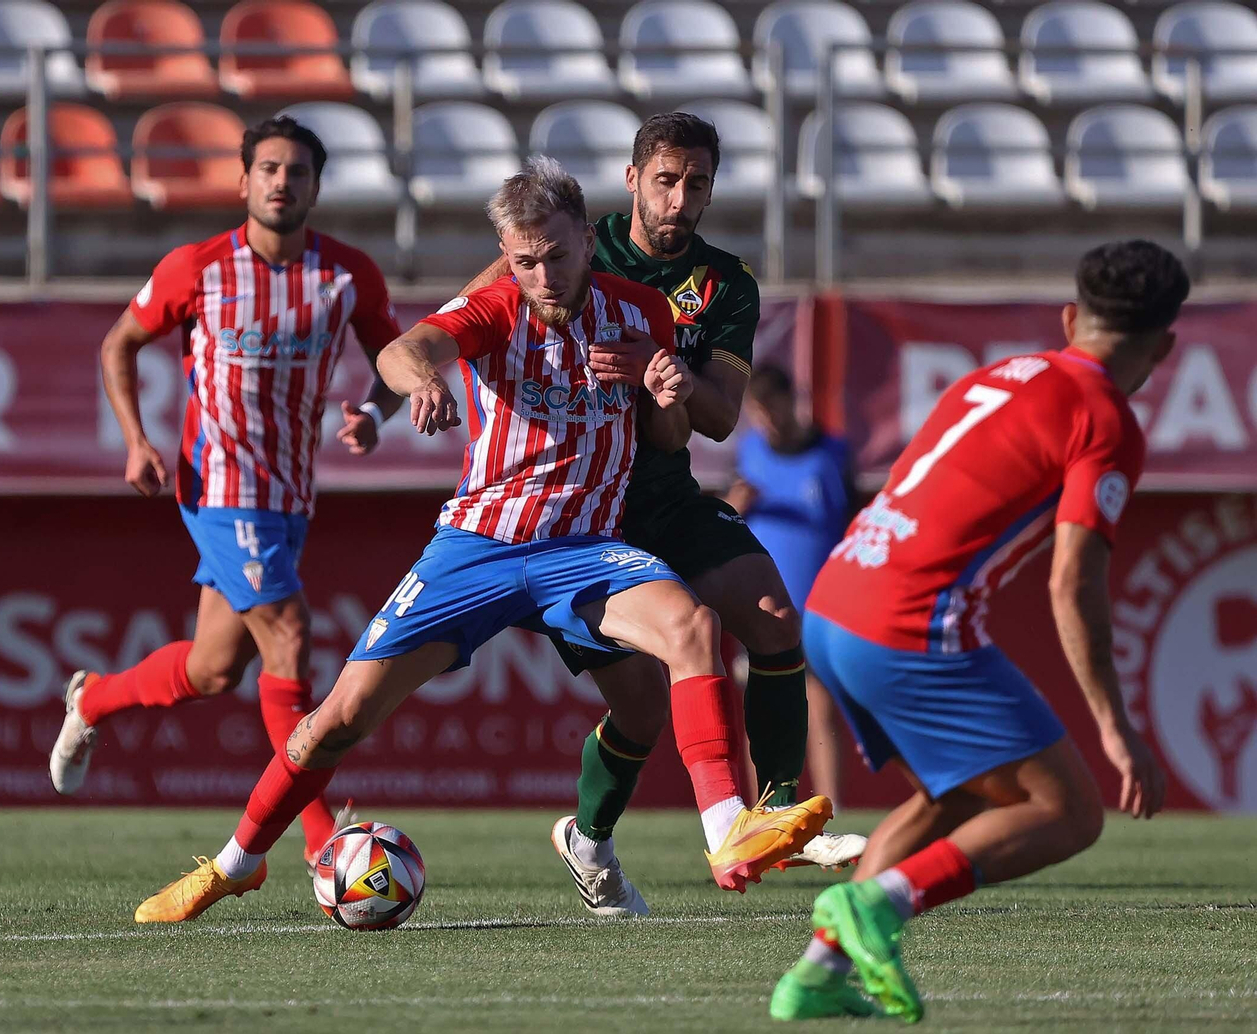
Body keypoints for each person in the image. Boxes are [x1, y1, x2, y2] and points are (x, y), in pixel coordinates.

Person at [129, 156, 830, 924]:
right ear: (508, 253)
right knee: (340, 717)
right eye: (524, 260)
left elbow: (663, 432)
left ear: (586, 243)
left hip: (582, 549)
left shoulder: (641, 315)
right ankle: (238, 862)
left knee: (691, 630)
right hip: (478, 546)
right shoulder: (497, 309)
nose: (543, 275)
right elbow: (406, 349)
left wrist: (666, 393)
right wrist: (424, 381)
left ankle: (729, 830)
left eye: (557, 256)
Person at [769, 240, 1183, 1022]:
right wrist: (1116, 727)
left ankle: (818, 974)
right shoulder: (1107, 419)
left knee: (955, 795)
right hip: (907, 622)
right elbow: (1073, 580)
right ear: (1163, 348)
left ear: (1070, 319)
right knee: (1068, 811)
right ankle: (881, 905)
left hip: (834, 598)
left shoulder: (995, 375)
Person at [462, 113, 859, 898]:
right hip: (578, 513)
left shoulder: (725, 284)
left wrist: (660, 362)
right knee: (640, 713)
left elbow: (718, 417)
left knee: (776, 619)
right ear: (634, 178)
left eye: (698, 183)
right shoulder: (570, 242)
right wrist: (407, 395)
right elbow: (464, 319)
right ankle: (588, 836)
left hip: (663, 492)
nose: (680, 198)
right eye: (667, 179)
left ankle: (776, 813)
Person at [47, 116, 404, 872]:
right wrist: (137, 441)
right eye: (268, 169)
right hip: (217, 484)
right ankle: (318, 843)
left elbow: (396, 359)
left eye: (297, 171)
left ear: (315, 186)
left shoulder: (347, 276)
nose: (282, 182)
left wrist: (375, 410)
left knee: (214, 669)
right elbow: (120, 342)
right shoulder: (198, 268)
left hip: (289, 494)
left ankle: (95, 700)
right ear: (243, 182)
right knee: (291, 634)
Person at [727, 365, 854, 810]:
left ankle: (828, 809)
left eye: (773, 408)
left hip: (820, 608)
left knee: (818, 708)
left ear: (790, 401)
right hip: (763, 608)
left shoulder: (831, 453)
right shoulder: (749, 456)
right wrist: (734, 507)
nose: (769, 420)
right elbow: (725, 520)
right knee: (760, 712)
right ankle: (760, 810)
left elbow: (851, 523)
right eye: (759, 413)